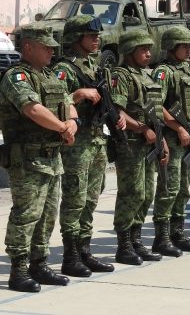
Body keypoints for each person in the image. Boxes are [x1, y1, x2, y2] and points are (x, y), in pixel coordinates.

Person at [0, 26, 78, 292]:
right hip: (27, 158)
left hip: (52, 158)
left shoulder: (50, 75)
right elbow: (32, 109)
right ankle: (18, 271)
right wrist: (62, 127)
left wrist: (71, 122)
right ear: (29, 47)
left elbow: (69, 103)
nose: (51, 51)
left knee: (47, 215)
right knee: (26, 215)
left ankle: (39, 264)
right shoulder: (17, 76)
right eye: (46, 46)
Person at [54, 16, 122, 277]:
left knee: (92, 197)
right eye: (90, 35)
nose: (97, 39)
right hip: (77, 142)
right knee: (75, 198)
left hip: (96, 139)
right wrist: (78, 95)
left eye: (97, 35)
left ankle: (84, 249)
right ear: (76, 38)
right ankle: (70, 255)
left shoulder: (98, 66)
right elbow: (54, 103)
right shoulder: (65, 68)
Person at [110, 30, 169, 264]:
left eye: (148, 48)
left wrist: (160, 138)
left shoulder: (146, 75)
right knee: (131, 193)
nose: (147, 53)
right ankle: (124, 245)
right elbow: (118, 111)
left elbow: (156, 113)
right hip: (131, 144)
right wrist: (143, 129)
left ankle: (136, 241)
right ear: (129, 51)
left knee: (146, 194)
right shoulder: (121, 75)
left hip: (148, 145)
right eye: (142, 49)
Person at [151, 26, 190, 252]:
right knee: (169, 188)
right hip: (173, 138)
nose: (188, 50)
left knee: (184, 189)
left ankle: (178, 233)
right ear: (171, 47)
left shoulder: (189, 72)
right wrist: (178, 129)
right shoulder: (163, 72)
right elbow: (158, 105)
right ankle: (162, 237)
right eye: (184, 46)